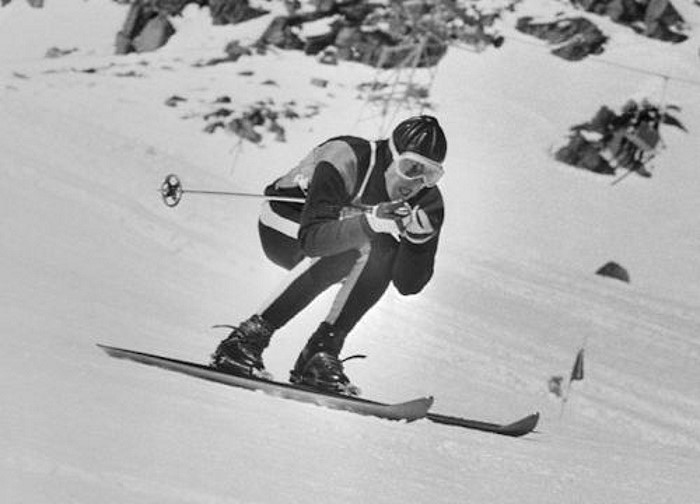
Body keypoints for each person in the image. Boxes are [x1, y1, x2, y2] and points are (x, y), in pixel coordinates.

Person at [211, 115, 447, 395]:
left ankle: (319, 354)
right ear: (390, 155)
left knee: (383, 248)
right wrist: (369, 223)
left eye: (430, 174)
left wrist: (418, 243)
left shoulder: (427, 200)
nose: (417, 181)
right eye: (411, 168)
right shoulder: (346, 157)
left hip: (341, 240)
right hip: (286, 221)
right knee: (353, 244)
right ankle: (244, 341)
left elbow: (408, 285)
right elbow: (312, 241)